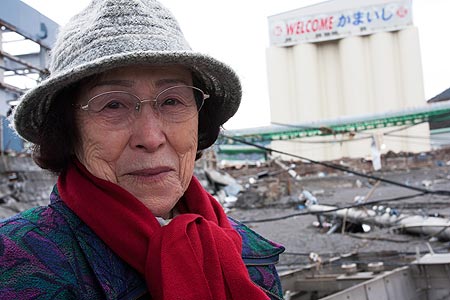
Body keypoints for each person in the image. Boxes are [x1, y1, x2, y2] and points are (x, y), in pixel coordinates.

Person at [0, 0, 285, 299]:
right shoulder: (16, 266)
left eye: (172, 101)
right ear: (69, 129)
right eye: (113, 104)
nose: (150, 137)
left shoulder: (250, 253)